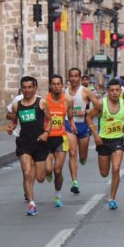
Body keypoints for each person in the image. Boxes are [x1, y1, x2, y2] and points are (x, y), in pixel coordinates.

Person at [7, 76, 51, 216]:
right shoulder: (16, 105)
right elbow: (14, 120)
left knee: (40, 177)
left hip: (40, 142)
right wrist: (11, 127)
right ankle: (32, 204)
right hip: (24, 142)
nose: (27, 90)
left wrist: (46, 133)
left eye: (29, 87)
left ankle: (47, 168)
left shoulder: (42, 102)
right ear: (21, 89)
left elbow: (49, 120)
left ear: (35, 88)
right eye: (24, 87)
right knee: (26, 172)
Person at [87, 78, 124, 210]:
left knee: (116, 168)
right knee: (104, 173)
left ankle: (112, 198)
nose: (114, 93)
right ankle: (111, 196)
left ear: (120, 91)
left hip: (118, 140)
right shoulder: (101, 104)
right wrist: (95, 135)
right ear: (108, 91)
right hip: (103, 141)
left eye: (117, 90)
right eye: (112, 90)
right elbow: (89, 117)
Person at [63, 68, 98, 195]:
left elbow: (98, 106)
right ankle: (75, 182)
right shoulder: (64, 92)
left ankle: (83, 159)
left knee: (82, 157)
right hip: (68, 124)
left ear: (79, 77)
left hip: (83, 124)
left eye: (76, 76)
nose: (73, 78)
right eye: (71, 76)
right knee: (72, 153)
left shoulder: (85, 91)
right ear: (68, 77)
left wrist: (87, 112)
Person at [45, 75, 76, 208]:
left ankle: (58, 196)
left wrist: (72, 125)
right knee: (48, 169)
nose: (56, 86)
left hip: (61, 138)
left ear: (62, 85)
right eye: (54, 84)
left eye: (58, 84)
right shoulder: (44, 101)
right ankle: (48, 173)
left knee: (58, 170)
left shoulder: (68, 101)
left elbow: (70, 117)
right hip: (47, 138)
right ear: (50, 85)